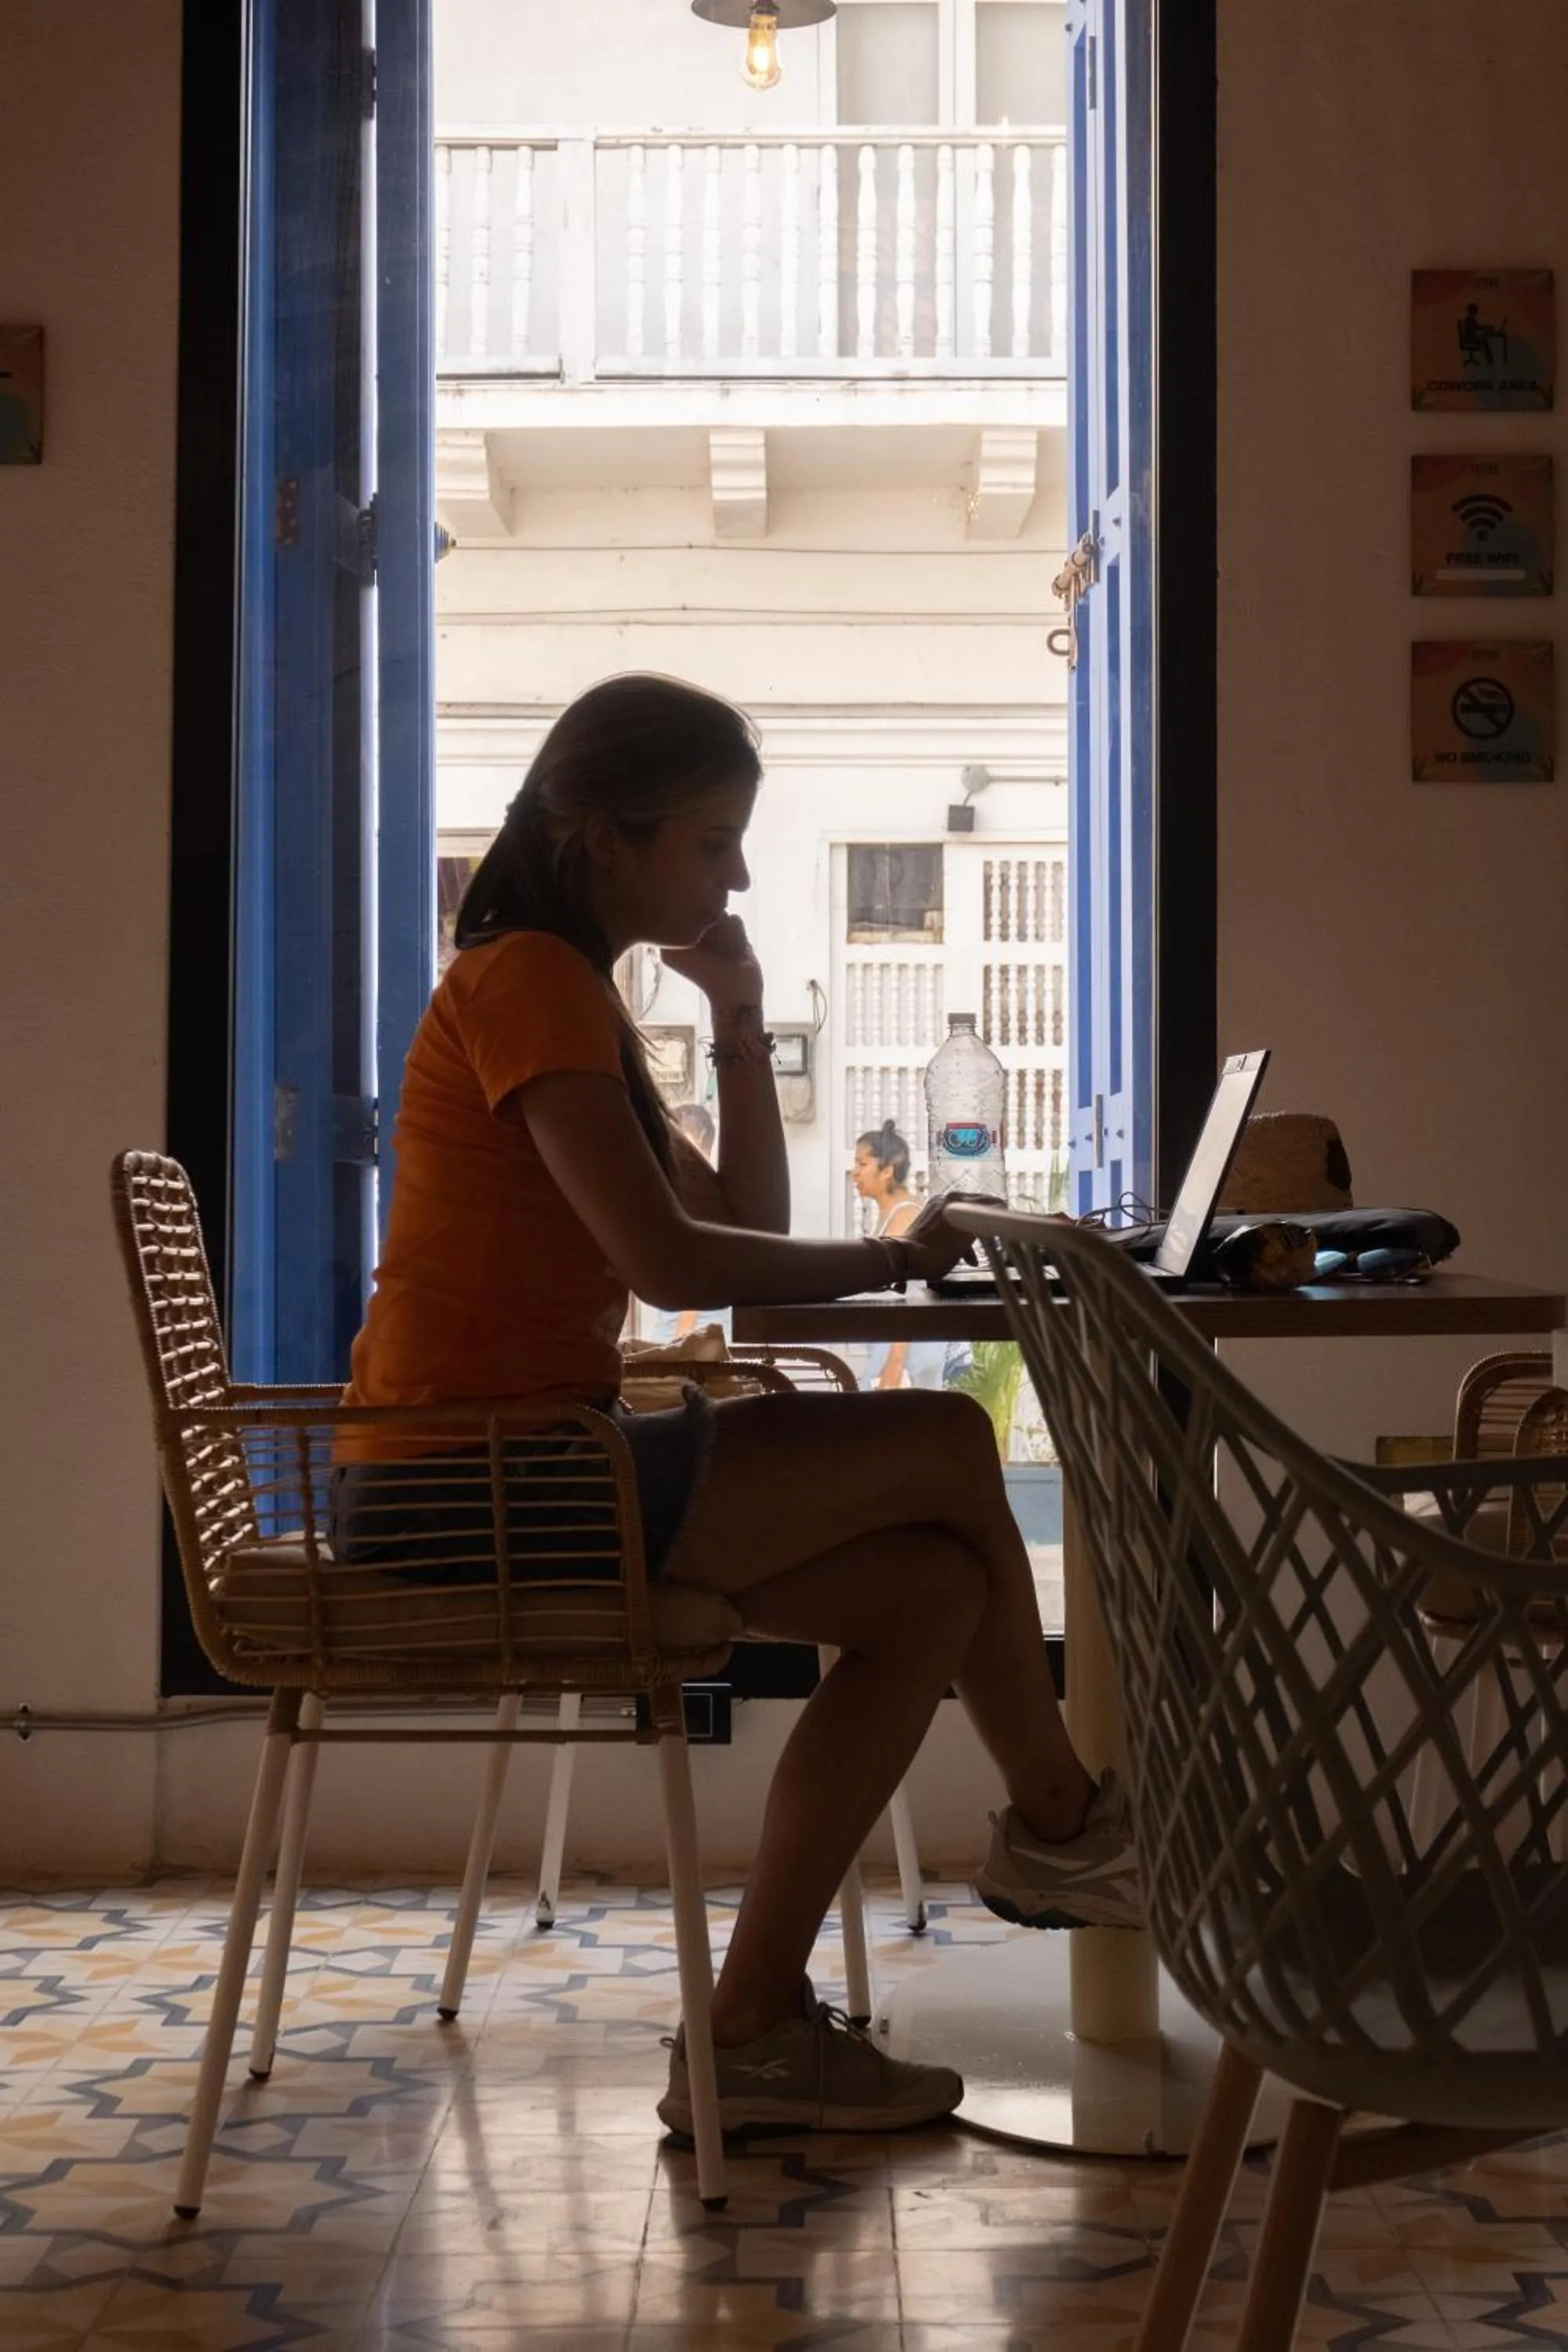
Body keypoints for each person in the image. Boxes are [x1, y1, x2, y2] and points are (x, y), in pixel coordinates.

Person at [336, 673, 1140, 2141]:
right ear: (601, 834)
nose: (740, 875)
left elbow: (744, 1215)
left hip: (533, 1459)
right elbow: (673, 1264)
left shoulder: (573, 994)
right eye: (712, 844)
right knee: (953, 1439)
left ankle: (758, 2025)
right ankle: (1066, 1829)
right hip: (475, 1478)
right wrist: (899, 1257)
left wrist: (747, 1015)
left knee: (927, 1591)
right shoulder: (529, 984)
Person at [851, 1120, 950, 1394]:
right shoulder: (891, 1212)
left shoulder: (905, 1216)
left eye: (862, 1164)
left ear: (887, 1171)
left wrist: (895, 1363)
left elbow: (910, 1295)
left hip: (906, 1351)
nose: (855, 1173)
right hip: (897, 1345)